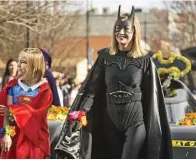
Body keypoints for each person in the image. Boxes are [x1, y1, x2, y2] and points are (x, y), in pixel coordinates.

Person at [55, 6, 173, 159]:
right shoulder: (105, 58)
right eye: (117, 28)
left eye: (126, 29)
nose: (121, 32)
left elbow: (152, 96)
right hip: (109, 122)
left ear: (134, 31)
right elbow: (91, 89)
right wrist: (81, 113)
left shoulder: (145, 60)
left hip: (135, 123)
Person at [0, 48, 53, 158]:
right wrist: (7, 134)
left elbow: (39, 114)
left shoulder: (44, 89)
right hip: (14, 135)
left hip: (35, 138)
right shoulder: (13, 86)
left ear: (34, 65)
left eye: (23, 62)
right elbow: (6, 114)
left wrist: (13, 110)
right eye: (19, 61)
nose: (18, 65)